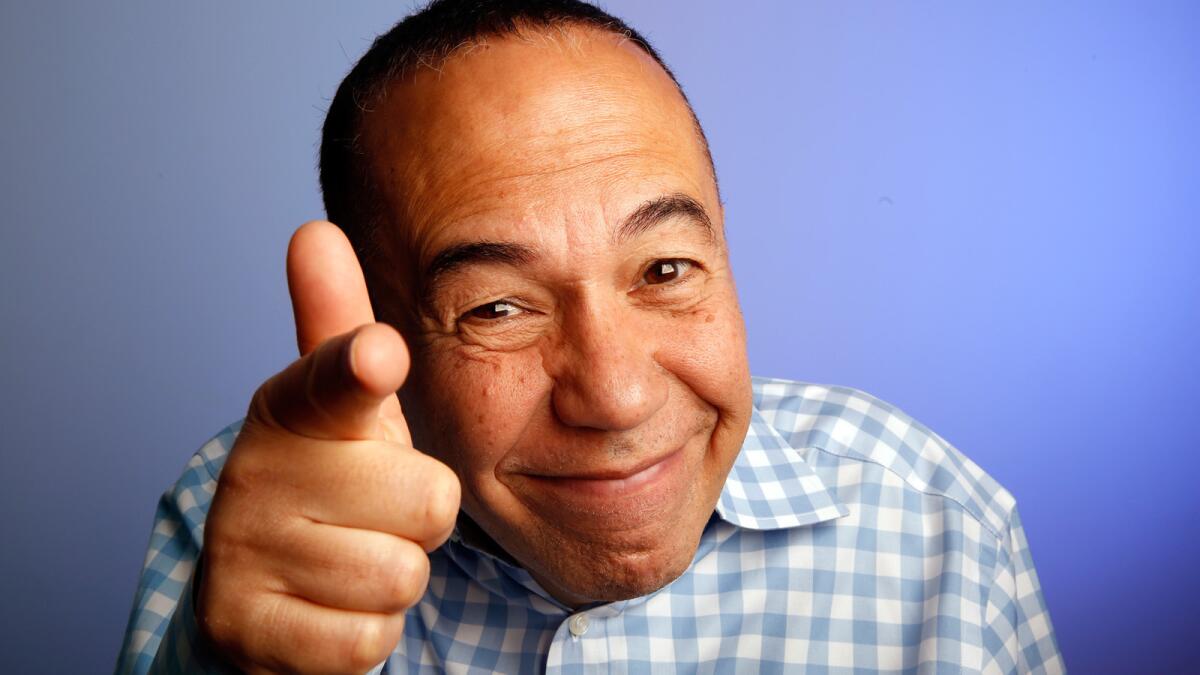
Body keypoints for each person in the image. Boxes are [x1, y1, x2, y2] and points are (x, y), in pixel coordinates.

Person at [116, 1, 1064, 673]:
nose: (615, 396)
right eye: (496, 308)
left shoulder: (936, 523)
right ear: (384, 331)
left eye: (664, 269)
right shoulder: (248, 530)